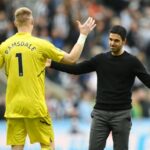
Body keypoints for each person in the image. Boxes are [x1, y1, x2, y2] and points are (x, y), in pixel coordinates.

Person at [0, 7, 96, 150]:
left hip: (14, 106)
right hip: (35, 106)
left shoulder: (4, 46)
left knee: (16, 147)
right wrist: (83, 35)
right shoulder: (40, 44)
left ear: (15, 23)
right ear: (32, 21)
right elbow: (72, 58)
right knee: (47, 146)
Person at [47, 25, 150, 150]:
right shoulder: (101, 59)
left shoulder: (132, 62)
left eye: (116, 40)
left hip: (122, 115)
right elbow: (76, 69)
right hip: (100, 114)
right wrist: (52, 64)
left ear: (124, 41)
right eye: (110, 39)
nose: (112, 43)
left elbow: (147, 81)